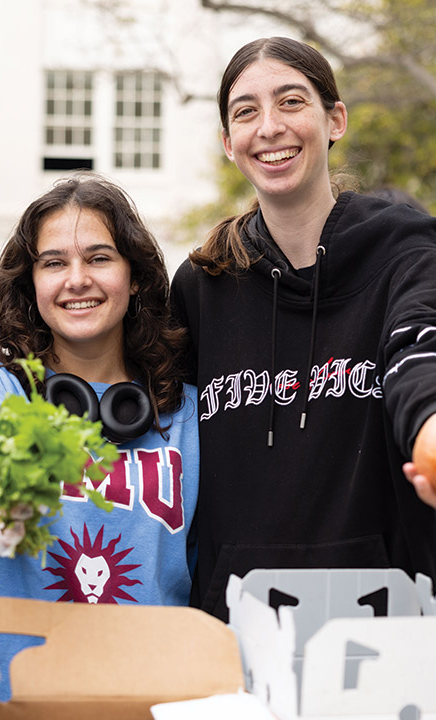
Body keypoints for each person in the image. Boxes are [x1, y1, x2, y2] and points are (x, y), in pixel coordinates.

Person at [171, 36, 436, 622]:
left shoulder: (404, 250)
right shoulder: (200, 286)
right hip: (235, 634)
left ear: (334, 119)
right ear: (227, 141)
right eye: (246, 112)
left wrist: (430, 427)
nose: (269, 127)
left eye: (291, 102)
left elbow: (419, 348)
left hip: (384, 635)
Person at [0, 173, 198, 661]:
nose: (77, 279)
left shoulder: (186, 413)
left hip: (150, 696)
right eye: (54, 263)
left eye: (98, 258)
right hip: (6, 702)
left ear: (134, 276)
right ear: (31, 283)